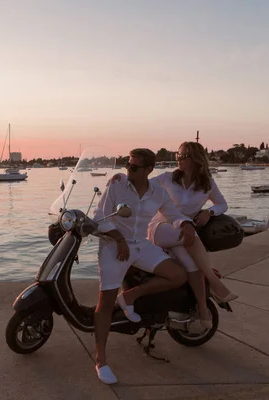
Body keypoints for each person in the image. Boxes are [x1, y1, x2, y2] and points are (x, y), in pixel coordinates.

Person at [93, 148, 194, 385]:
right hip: (113, 245)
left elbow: (173, 213)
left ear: (149, 169)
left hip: (141, 245)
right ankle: (101, 360)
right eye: (128, 165)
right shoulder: (117, 185)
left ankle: (129, 297)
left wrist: (186, 224)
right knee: (105, 301)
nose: (129, 170)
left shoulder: (158, 192)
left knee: (178, 275)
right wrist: (118, 239)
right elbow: (100, 216)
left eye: (135, 167)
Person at [112, 141, 238, 330]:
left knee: (191, 264)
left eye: (183, 156)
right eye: (177, 155)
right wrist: (121, 179)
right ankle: (213, 281)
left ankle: (202, 309)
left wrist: (208, 212)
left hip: (183, 231)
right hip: (160, 228)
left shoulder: (207, 183)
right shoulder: (168, 178)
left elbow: (222, 204)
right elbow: (141, 181)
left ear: (196, 159)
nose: (178, 159)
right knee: (190, 234)